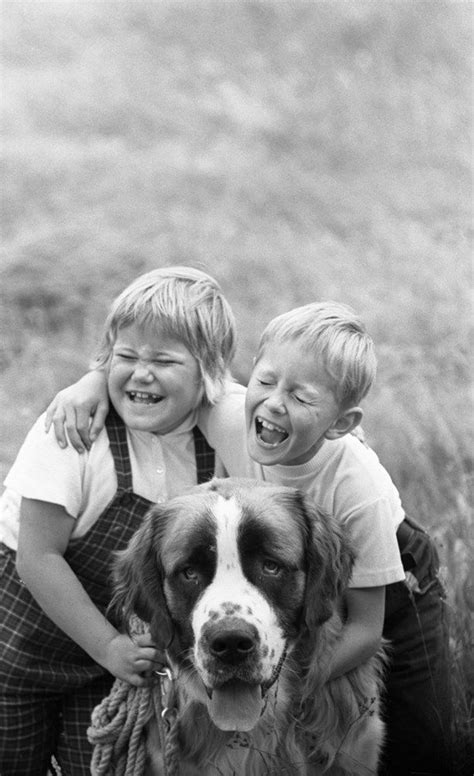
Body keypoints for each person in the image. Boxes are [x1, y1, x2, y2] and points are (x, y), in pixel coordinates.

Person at [43, 300, 453, 776]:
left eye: (302, 398)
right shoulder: (235, 415)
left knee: (422, 742)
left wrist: (288, 685)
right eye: (265, 382)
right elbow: (157, 375)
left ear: (341, 422)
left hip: (394, 568)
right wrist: (91, 380)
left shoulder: (361, 490)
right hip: (283, 546)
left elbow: (365, 627)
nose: (276, 403)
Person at [0, 266, 254, 776]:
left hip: (113, 664)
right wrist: (108, 646)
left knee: (98, 761)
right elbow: (37, 557)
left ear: (209, 375)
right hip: (19, 646)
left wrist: (115, 652)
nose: (141, 373)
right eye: (127, 357)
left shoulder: (220, 445)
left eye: (163, 360)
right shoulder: (73, 432)